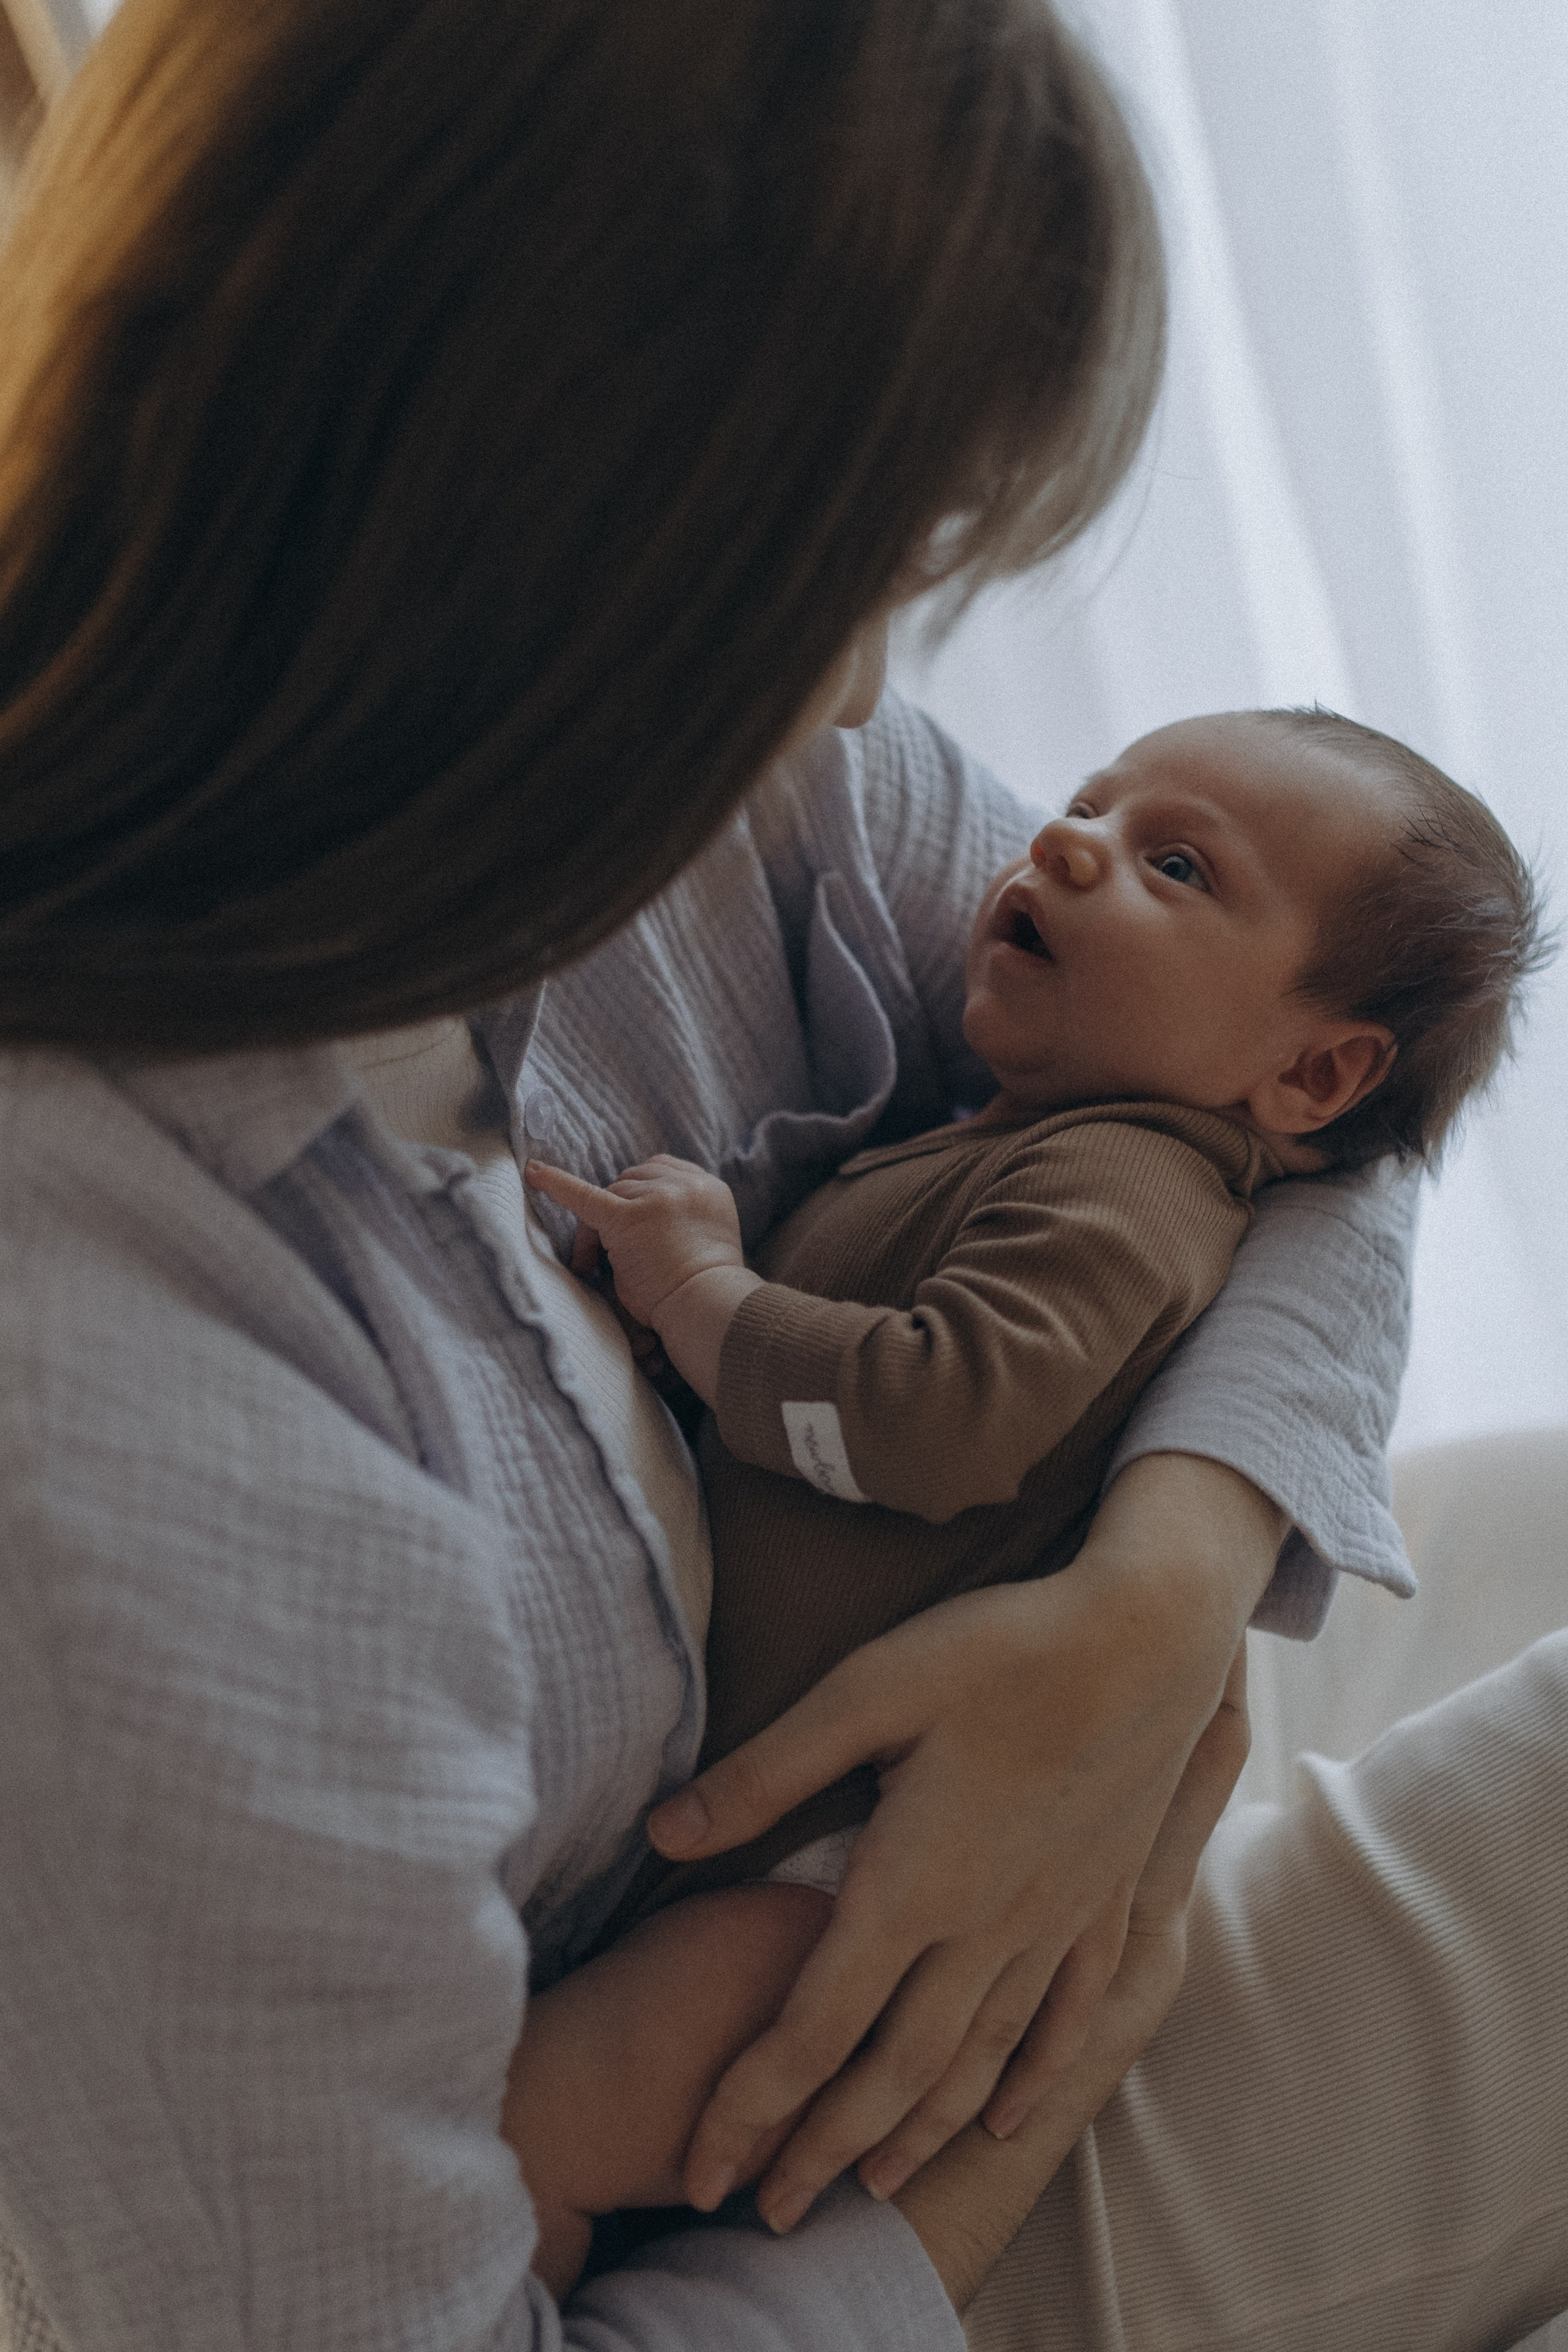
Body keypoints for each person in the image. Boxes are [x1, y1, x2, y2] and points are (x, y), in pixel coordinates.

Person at [0, 7, 1561, 2352]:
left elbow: (1288, 1118)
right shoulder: (121, 1433)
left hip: (906, 1802)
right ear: (562, 536)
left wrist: (1149, 1600)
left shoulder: (740, 817)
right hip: (802, 2194)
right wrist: (989, 2140)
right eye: (851, 575)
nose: (864, 700)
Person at [526, 706, 1542, 1894]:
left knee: (640, 2052)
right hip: (748, 1789)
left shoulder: (1128, 1188)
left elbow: (931, 1420)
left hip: (846, 1840)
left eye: (1175, 865)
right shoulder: (1031, 1146)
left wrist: (705, 1301)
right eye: (1086, 802)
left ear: (1314, 1073)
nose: (1060, 843)